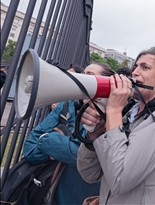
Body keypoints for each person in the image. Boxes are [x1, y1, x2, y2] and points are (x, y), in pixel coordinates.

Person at [77, 49, 155, 204]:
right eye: (135, 67)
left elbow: (119, 180)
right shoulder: (128, 113)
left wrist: (113, 111)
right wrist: (95, 136)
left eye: (145, 67)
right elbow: (89, 174)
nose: (134, 72)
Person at [22, 63, 113, 205]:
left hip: (81, 195)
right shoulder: (67, 105)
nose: (83, 77)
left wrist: (49, 141)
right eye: (84, 72)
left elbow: (85, 158)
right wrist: (59, 150)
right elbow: (29, 147)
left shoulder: (112, 115)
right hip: (51, 191)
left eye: (90, 75)